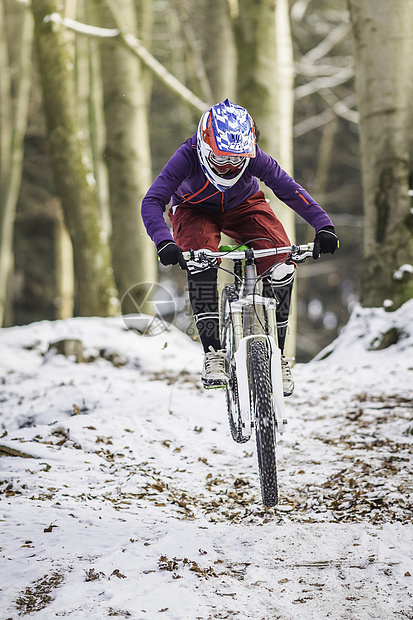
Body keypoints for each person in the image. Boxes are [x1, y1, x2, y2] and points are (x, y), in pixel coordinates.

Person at [141, 99, 337, 394]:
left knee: (282, 261)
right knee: (200, 262)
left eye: (238, 160)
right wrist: (164, 240)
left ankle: (278, 355)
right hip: (194, 210)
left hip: (245, 206)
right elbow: (152, 201)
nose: (231, 167)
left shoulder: (255, 157)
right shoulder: (187, 155)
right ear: (206, 149)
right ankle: (213, 354)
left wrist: (323, 225)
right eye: (222, 160)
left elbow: (289, 189)